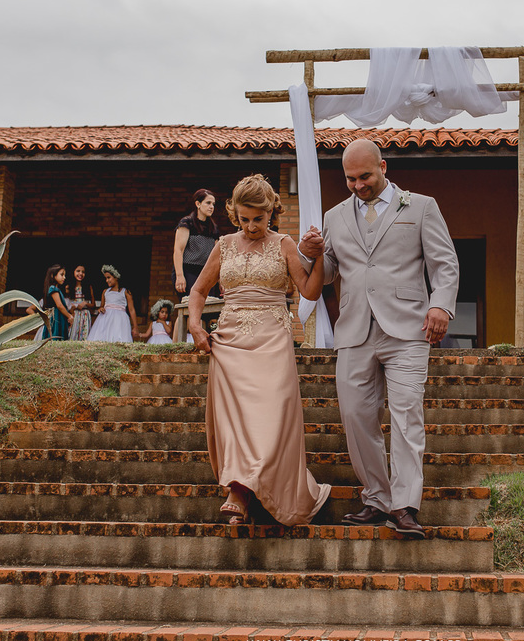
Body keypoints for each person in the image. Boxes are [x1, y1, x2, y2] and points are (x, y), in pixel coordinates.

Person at [298, 139, 459, 539]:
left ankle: (404, 506)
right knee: (356, 417)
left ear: (383, 167)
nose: (357, 185)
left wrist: (441, 305)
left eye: (365, 176)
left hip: (407, 328)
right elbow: (330, 271)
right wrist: (311, 253)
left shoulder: (421, 206)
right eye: (350, 179)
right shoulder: (335, 216)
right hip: (353, 329)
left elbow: (445, 262)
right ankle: (377, 497)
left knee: (406, 416)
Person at [188, 174, 330, 526]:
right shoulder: (223, 245)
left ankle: (260, 485)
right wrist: (194, 324)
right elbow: (198, 291)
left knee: (270, 416)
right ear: (235, 213)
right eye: (244, 218)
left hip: (272, 337)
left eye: (259, 219)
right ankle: (238, 489)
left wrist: (320, 259)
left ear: (271, 213)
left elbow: (310, 292)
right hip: (231, 338)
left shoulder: (283, 244)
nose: (251, 226)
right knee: (236, 420)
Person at [174, 189, 221, 298]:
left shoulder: (213, 228)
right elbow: (178, 250)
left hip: (206, 272)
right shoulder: (187, 223)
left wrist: (219, 280)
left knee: (208, 306)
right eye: (208, 203)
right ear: (198, 204)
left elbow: (217, 257)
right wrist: (179, 276)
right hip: (188, 271)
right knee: (192, 303)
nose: (211, 207)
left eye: (213, 204)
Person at [87, 264, 139, 342]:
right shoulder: (105, 292)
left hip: (120, 319)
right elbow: (102, 306)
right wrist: (101, 309)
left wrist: (135, 326)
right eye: (106, 278)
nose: (107, 280)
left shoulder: (125, 292)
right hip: (105, 319)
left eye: (109, 277)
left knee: (118, 338)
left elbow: (131, 310)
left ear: (116, 277)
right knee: (103, 339)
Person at [41, 264, 73, 341]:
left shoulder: (56, 289)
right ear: (53, 275)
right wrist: (69, 316)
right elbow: (59, 305)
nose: (64, 277)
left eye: (64, 275)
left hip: (59, 317)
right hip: (56, 317)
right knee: (56, 335)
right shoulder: (53, 288)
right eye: (61, 275)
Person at [66, 264, 96, 341]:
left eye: (83, 272)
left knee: (85, 337)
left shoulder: (88, 287)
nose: (80, 274)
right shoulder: (68, 287)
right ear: (73, 272)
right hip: (74, 315)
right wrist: (72, 309)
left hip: (85, 315)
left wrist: (85, 303)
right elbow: (65, 304)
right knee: (72, 337)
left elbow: (93, 305)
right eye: (78, 271)